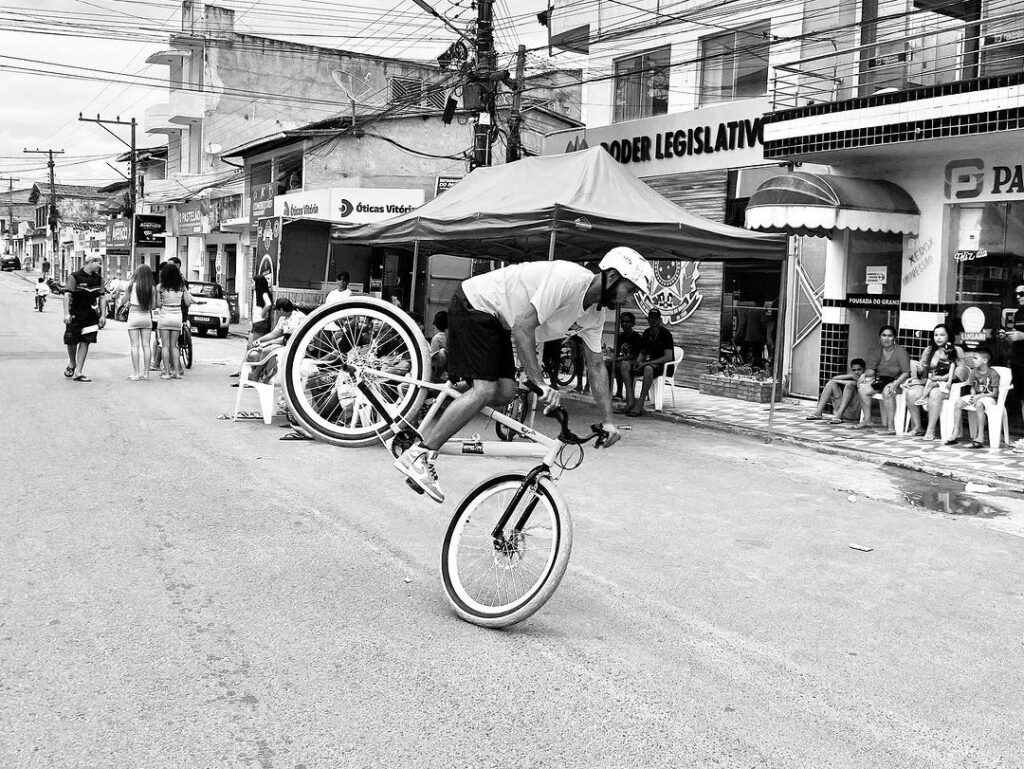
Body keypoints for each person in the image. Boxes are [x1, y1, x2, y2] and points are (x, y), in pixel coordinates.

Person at [394, 247, 654, 503]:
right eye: (629, 290)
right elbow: (523, 329)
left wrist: (608, 419)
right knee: (484, 390)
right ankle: (420, 455)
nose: (628, 298)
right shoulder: (568, 279)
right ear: (611, 276)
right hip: (477, 303)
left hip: (499, 323)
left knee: (504, 393)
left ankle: (446, 386)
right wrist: (541, 384)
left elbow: (596, 366)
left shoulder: (595, 316)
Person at [902, 324, 968, 440]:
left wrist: (943, 378)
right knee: (911, 393)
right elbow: (923, 372)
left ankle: (930, 429)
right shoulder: (929, 350)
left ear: (949, 336)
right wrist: (921, 370)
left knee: (935, 393)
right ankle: (918, 427)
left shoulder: (956, 350)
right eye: (936, 335)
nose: (938, 338)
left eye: (942, 335)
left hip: (947, 386)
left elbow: (961, 370)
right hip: (928, 382)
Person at [618, 307, 674, 417]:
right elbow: (643, 351)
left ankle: (640, 402)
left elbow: (668, 357)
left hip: (662, 367)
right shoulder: (647, 332)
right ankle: (630, 400)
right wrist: (638, 362)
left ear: (660, 320)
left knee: (648, 368)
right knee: (625, 365)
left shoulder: (665, 334)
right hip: (648, 363)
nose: (653, 320)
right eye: (651, 318)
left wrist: (645, 363)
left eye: (656, 318)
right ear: (648, 319)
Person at [856, 325, 911, 432]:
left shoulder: (901, 351)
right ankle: (867, 419)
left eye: (890, 336)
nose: (886, 338)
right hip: (881, 381)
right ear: (880, 337)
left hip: (898, 382)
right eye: (884, 335)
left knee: (887, 391)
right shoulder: (878, 351)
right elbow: (871, 370)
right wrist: (864, 375)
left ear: (895, 338)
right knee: (862, 388)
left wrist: (895, 384)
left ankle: (891, 425)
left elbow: (906, 373)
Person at [945, 347, 1000, 449]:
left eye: (975, 358)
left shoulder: (993, 374)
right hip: (977, 396)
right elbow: (972, 387)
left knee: (979, 405)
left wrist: (979, 396)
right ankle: (956, 432)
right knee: (958, 403)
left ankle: (980, 435)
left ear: (984, 361)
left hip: (988, 397)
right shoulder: (974, 372)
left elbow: (994, 393)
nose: (972, 360)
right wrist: (973, 395)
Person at [62, 255, 106, 382]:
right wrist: (66, 313)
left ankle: (79, 372)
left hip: (91, 316)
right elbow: (67, 295)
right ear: (91, 262)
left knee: (85, 341)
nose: (100, 266)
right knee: (71, 341)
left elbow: (102, 297)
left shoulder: (99, 280)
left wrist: (103, 315)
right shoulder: (74, 277)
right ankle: (72, 362)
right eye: (99, 263)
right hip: (75, 314)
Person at [243, 298, 307, 383]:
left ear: (281, 309)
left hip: (296, 346)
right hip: (285, 343)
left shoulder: (299, 317)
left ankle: (256, 375)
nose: (277, 312)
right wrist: (260, 340)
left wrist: (268, 343)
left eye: (278, 310)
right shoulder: (283, 318)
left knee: (267, 350)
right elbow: (274, 333)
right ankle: (258, 375)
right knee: (254, 352)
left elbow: (288, 338)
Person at [155, 262, 193, 380]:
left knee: (165, 346)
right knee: (174, 346)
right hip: (177, 316)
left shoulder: (160, 287)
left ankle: (166, 373)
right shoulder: (182, 286)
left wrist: (164, 301)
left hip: (165, 316)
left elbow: (157, 304)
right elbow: (187, 303)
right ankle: (176, 372)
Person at [120, 264, 158, 380]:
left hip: (133, 315)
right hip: (146, 316)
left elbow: (123, 300)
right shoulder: (152, 288)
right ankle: (146, 373)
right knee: (146, 345)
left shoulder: (131, 285)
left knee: (134, 346)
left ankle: (136, 373)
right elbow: (153, 306)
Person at [805, 358, 866, 424]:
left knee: (849, 385)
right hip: (844, 410)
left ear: (864, 369)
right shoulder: (853, 376)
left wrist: (838, 381)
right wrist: (851, 375)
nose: (856, 372)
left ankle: (839, 415)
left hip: (855, 412)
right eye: (854, 370)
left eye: (859, 369)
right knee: (831, 383)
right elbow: (834, 378)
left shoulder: (866, 377)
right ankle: (818, 412)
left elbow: (855, 383)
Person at [604, 312, 643, 399]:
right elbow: (616, 352)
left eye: (627, 321)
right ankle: (608, 391)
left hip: (633, 362)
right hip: (621, 360)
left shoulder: (637, 337)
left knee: (619, 365)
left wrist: (619, 359)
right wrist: (612, 358)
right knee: (607, 364)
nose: (624, 323)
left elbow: (635, 356)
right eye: (622, 321)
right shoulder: (620, 336)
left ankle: (619, 392)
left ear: (632, 324)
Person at [429, 310, 448, 383]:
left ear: (436, 325)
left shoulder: (436, 338)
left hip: (441, 374)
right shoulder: (453, 336)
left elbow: (433, 359)